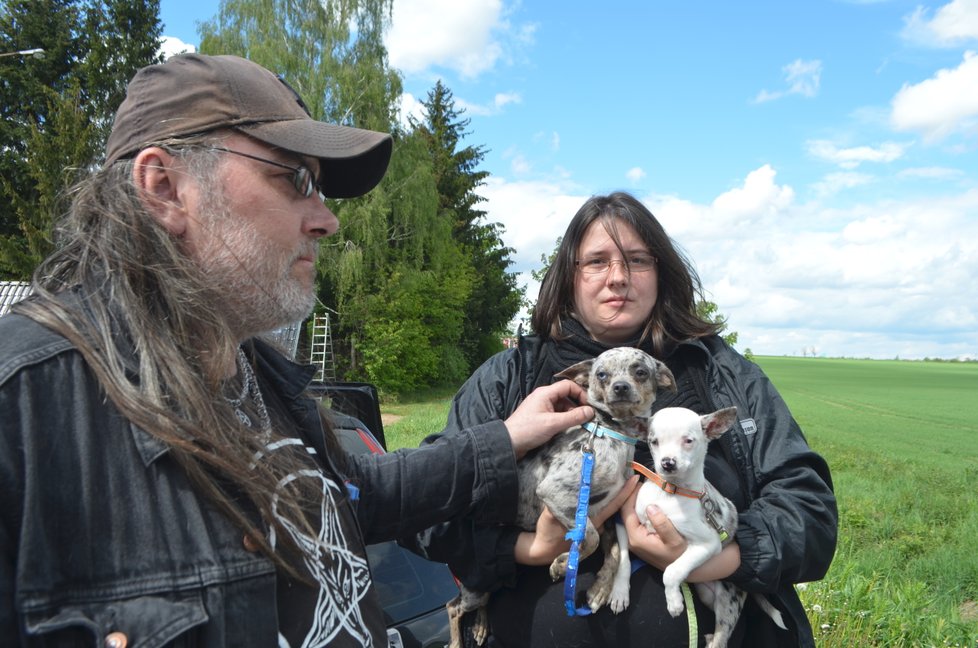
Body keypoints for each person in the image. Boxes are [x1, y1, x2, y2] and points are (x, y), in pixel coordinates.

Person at [0, 53, 597, 648]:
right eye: (297, 180)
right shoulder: (23, 405)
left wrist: (508, 435)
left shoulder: (252, 373)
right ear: (164, 187)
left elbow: (360, 494)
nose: (327, 220)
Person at [404, 191, 838, 647]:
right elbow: (426, 513)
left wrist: (725, 556)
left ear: (662, 273)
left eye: (637, 260)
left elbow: (811, 511)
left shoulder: (718, 372)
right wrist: (527, 548)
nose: (618, 278)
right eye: (596, 262)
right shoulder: (511, 378)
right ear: (568, 277)